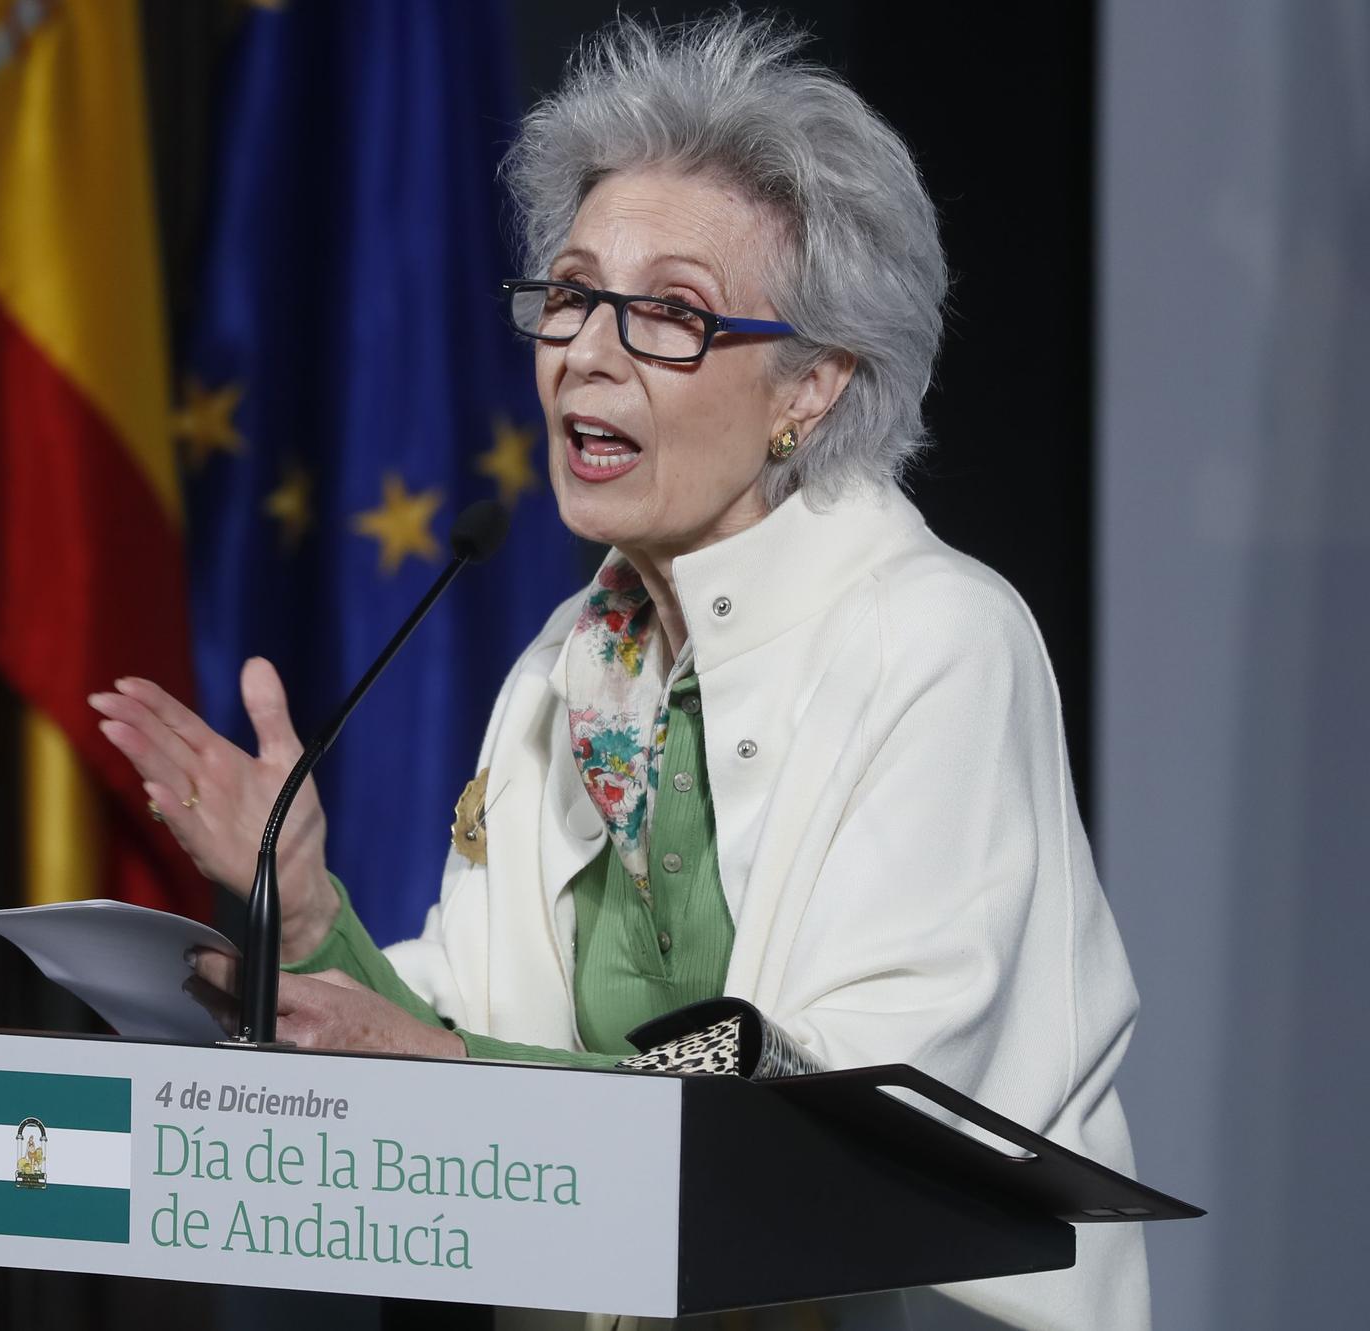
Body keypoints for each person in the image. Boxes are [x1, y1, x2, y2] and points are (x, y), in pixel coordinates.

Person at [92, 14, 1145, 1328]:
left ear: (812, 386)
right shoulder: (566, 665)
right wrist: (307, 917)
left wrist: (445, 1064)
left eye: (671, 313)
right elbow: (460, 1060)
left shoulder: (935, 640)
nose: (586, 347)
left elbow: (844, 1119)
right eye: (576, 291)